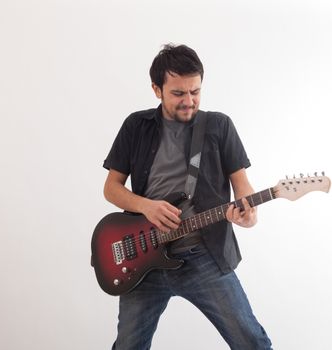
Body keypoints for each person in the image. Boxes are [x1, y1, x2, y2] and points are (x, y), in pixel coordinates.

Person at [102, 43, 272, 350]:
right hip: (143, 259)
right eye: (179, 93)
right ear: (157, 89)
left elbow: (242, 186)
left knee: (252, 341)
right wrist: (145, 206)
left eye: (195, 91)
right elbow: (111, 188)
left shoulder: (219, 125)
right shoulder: (135, 126)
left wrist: (247, 213)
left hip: (203, 257)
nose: (189, 101)